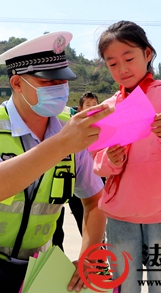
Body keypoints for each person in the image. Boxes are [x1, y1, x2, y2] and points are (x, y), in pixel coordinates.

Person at [0, 31, 112, 293]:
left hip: (35, 259)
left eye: (63, 81)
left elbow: (95, 199)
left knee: (101, 284)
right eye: (49, 81)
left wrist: (89, 256)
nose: (61, 89)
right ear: (17, 83)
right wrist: (60, 144)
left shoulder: (69, 129)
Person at [92, 21, 161, 293]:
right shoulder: (108, 108)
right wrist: (110, 160)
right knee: (125, 284)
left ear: (147, 54)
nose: (122, 69)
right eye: (112, 63)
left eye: (129, 58)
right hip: (120, 214)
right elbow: (98, 164)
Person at [52, 91, 98, 250]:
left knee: (84, 217)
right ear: (79, 108)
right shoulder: (69, 123)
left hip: (85, 178)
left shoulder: (101, 125)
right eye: (88, 105)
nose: (91, 108)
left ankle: (95, 260)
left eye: (94, 105)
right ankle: (56, 262)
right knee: (54, 222)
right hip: (58, 178)